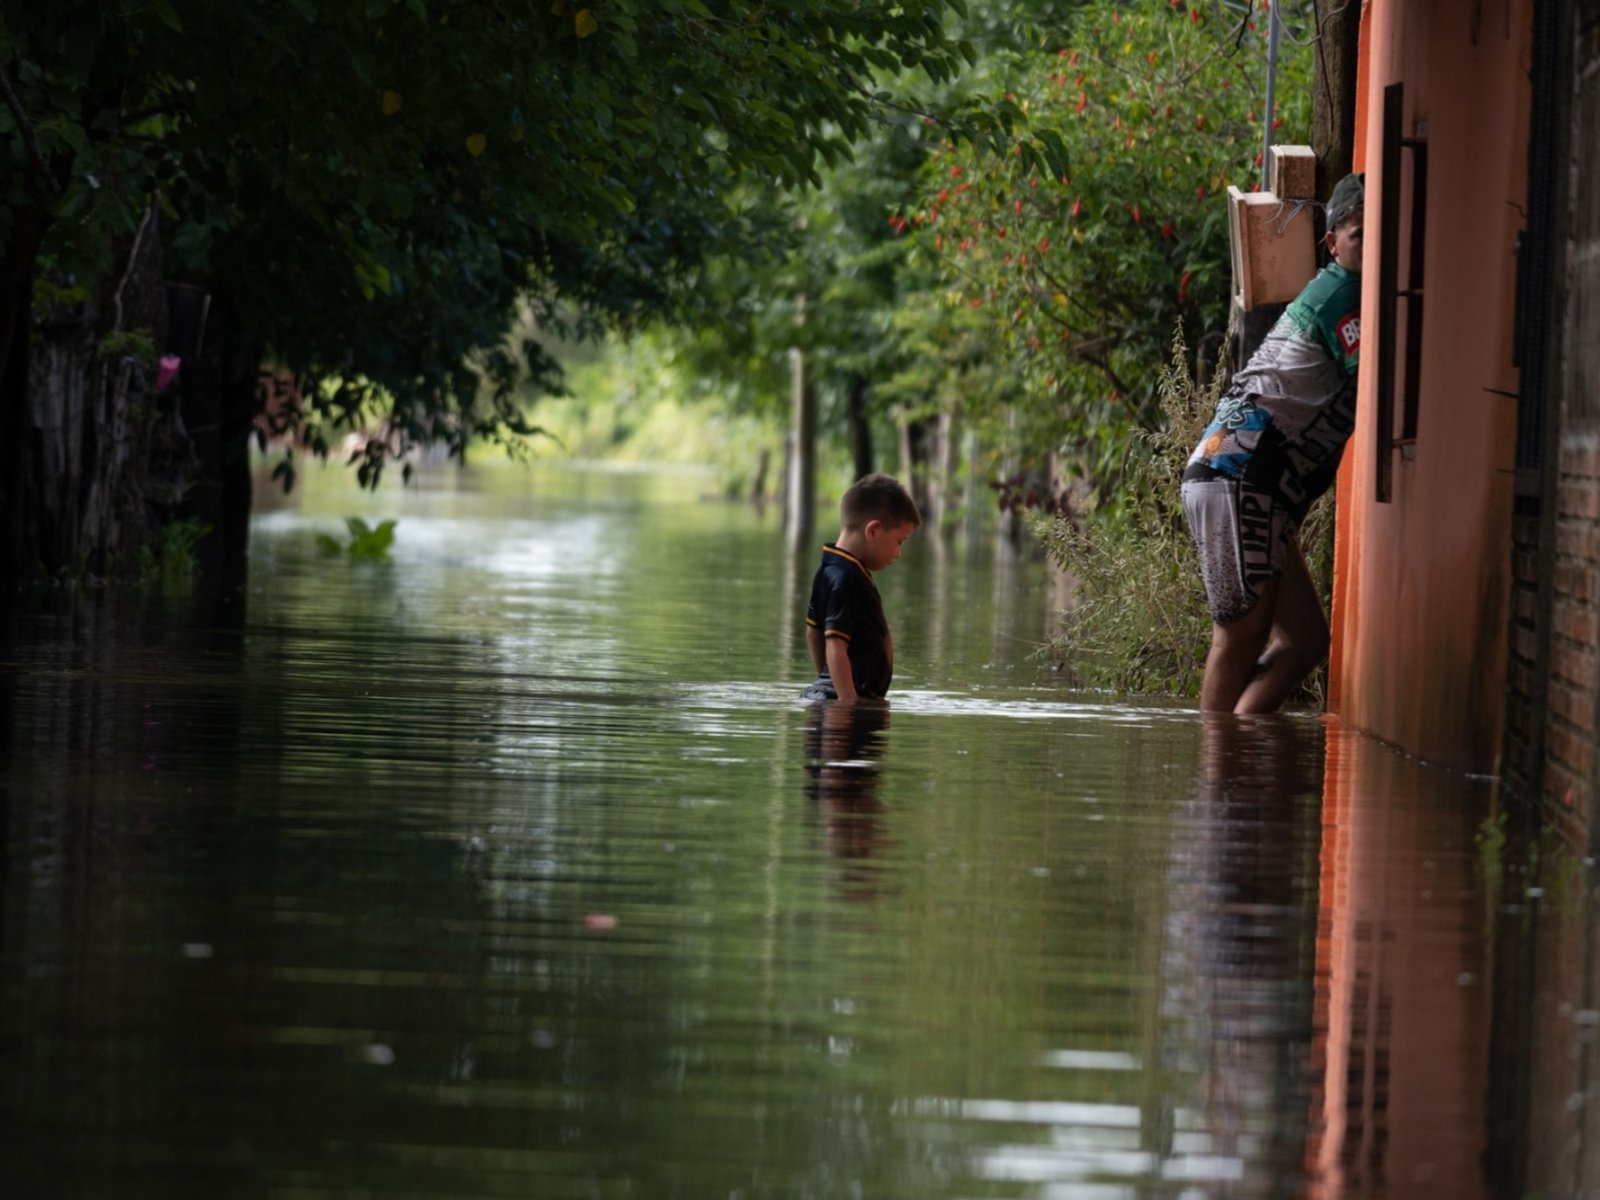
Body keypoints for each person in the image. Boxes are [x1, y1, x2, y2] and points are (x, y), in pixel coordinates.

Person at [1181, 172, 1365, 713]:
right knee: (1239, 635)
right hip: (1241, 475)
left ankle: (1239, 755)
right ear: (1332, 243)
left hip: (1239, 476)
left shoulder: (1347, 287)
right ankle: (1219, 775)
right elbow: (1377, 372)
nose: (1375, 245)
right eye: (1361, 234)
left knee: (1304, 641)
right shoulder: (1347, 294)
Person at [801, 473, 921, 703]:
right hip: (849, 703)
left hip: (837, 696)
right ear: (873, 531)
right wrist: (846, 705)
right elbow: (835, 646)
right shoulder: (847, 578)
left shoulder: (830, 569)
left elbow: (813, 633)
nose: (898, 553)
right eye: (899, 541)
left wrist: (825, 679)